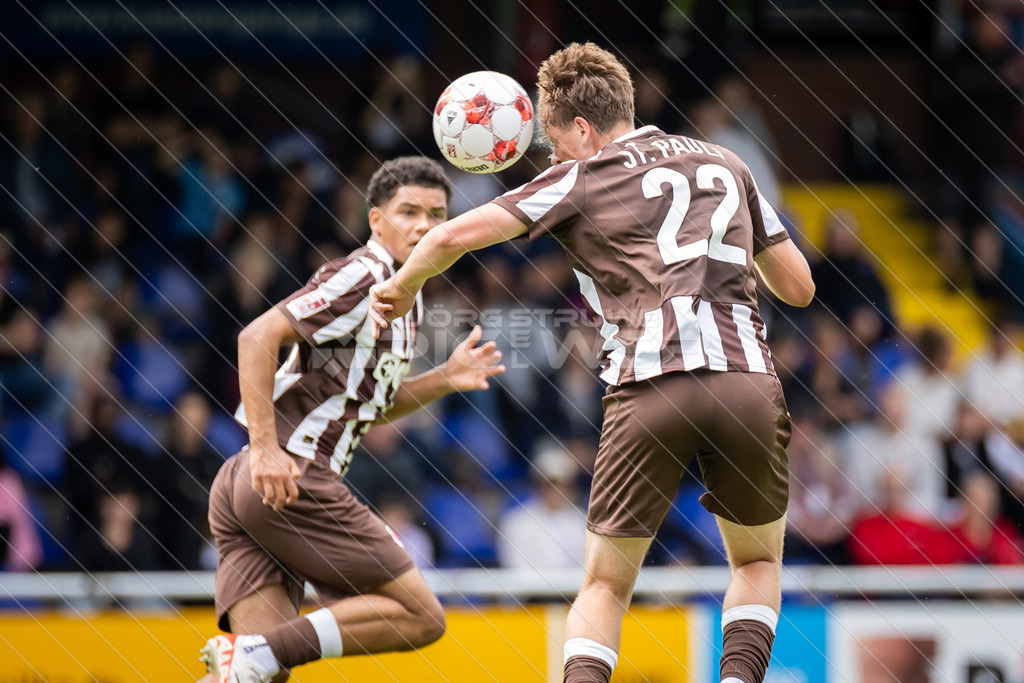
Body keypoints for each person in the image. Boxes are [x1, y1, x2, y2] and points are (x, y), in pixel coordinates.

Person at [370, 43, 814, 683]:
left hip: (649, 387)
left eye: (554, 143)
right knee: (756, 563)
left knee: (605, 585)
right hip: (744, 381)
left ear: (582, 128)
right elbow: (798, 287)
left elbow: (448, 236)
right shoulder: (728, 162)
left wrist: (404, 284)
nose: (553, 157)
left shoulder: (579, 177)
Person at [198, 156, 506, 683]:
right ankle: (256, 652)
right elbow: (256, 336)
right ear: (376, 221)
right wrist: (269, 449)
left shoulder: (405, 299)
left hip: (251, 485)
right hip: (291, 473)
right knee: (421, 616)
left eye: (437, 215)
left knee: (255, 673)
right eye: (409, 211)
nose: (424, 226)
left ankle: (250, 656)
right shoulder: (366, 275)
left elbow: (366, 404)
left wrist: (444, 378)